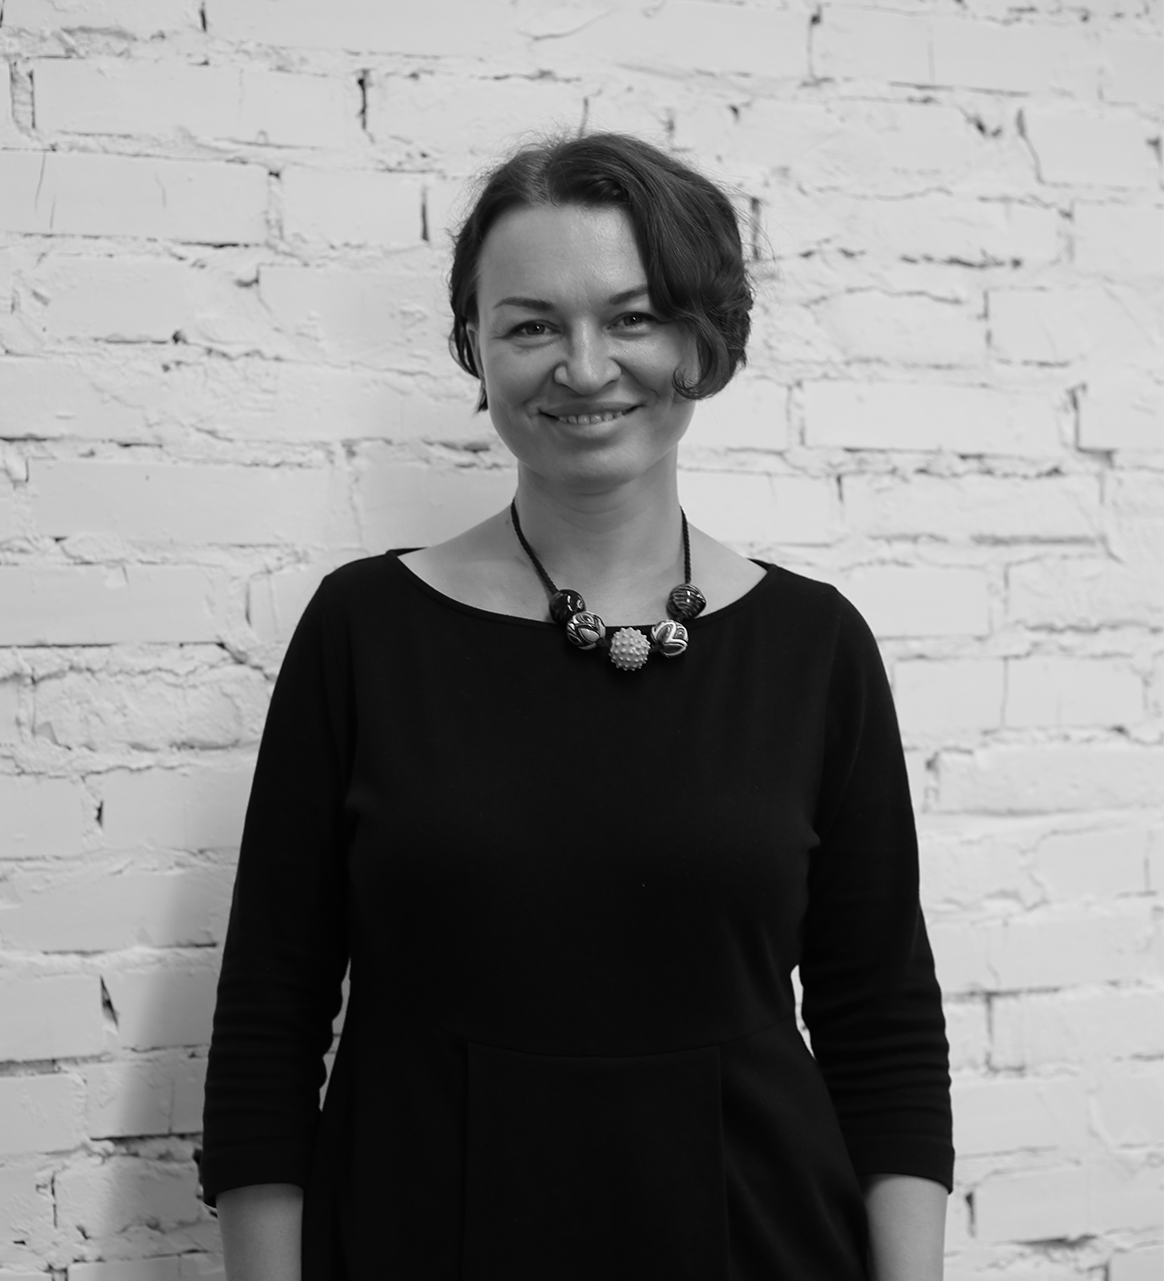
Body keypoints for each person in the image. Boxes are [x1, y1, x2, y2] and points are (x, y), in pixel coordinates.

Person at [201, 132, 953, 1280]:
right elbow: (270, 1020)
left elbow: (882, 1026)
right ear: (477, 347)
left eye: (633, 317)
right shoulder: (364, 633)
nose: (585, 367)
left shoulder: (816, 647)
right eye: (531, 326)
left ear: (703, 338)